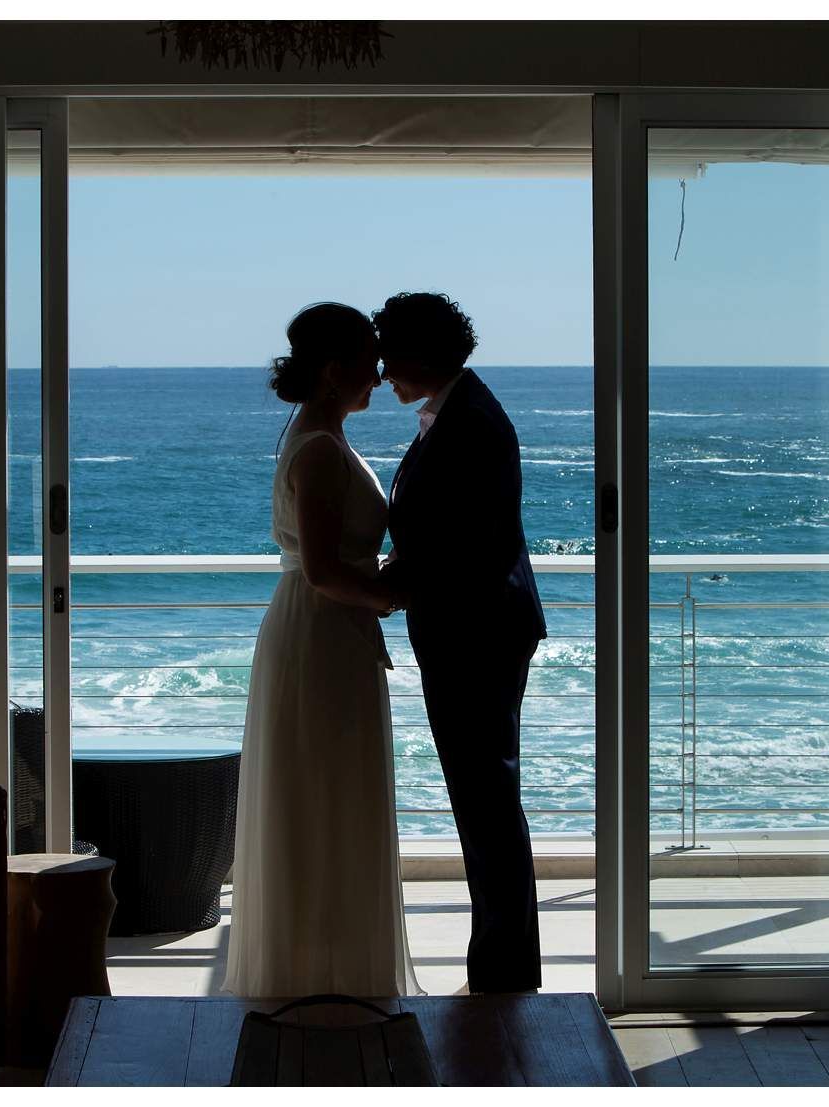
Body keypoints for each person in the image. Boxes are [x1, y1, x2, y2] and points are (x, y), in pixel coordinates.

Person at [222, 302, 421, 999]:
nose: (381, 373)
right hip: (321, 634)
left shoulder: (318, 435)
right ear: (336, 371)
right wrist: (395, 592)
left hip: (324, 632)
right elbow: (325, 571)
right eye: (370, 360)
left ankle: (323, 969)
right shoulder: (318, 447)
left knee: (327, 801)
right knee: (324, 801)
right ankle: (321, 980)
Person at [375, 291, 547, 994]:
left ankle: (505, 980)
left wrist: (377, 586)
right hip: (475, 632)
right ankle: (502, 972)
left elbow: (459, 550)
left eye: (390, 353)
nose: (383, 369)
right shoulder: (457, 412)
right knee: (485, 805)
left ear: (421, 354)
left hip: (475, 637)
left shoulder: (468, 423)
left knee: (488, 807)